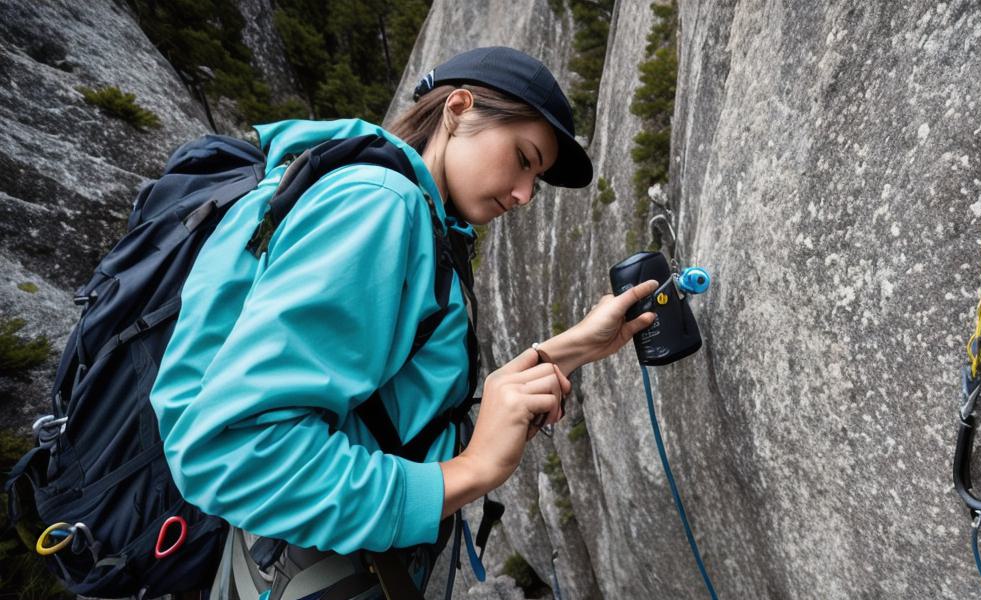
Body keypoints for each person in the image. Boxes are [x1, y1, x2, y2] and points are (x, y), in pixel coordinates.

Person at [148, 46, 659, 597]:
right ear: (458, 110)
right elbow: (235, 452)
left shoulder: (393, 204)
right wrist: (472, 472)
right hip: (319, 573)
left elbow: (391, 407)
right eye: (523, 158)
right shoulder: (380, 206)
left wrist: (573, 348)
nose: (524, 194)